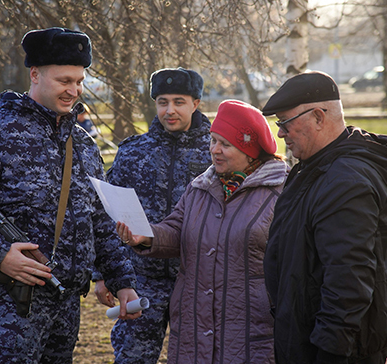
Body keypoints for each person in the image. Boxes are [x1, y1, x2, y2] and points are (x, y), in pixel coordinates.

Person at [0, 27, 140, 363]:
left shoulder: (82, 143)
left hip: (67, 302)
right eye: (64, 81)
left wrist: (121, 280)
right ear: (35, 74)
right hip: (13, 301)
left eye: (79, 81)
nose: (74, 91)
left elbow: (99, 219)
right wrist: (0, 254)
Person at [117, 99, 290, 363]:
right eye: (213, 141)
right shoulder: (201, 186)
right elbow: (177, 229)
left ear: (250, 151)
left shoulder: (280, 192)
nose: (215, 151)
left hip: (249, 327)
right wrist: (147, 236)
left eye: (226, 144)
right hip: (194, 327)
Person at [261, 71, 387, 364]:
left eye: (285, 122)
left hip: (336, 350)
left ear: (318, 116)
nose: (280, 133)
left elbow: (348, 280)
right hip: (314, 339)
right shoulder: (315, 169)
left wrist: (330, 352)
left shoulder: (345, 180)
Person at [92, 67, 213, 363]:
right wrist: (103, 274)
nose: (169, 110)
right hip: (140, 280)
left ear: (196, 103)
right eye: (162, 102)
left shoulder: (216, 152)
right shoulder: (134, 152)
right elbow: (106, 213)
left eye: (179, 101)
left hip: (198, 280)